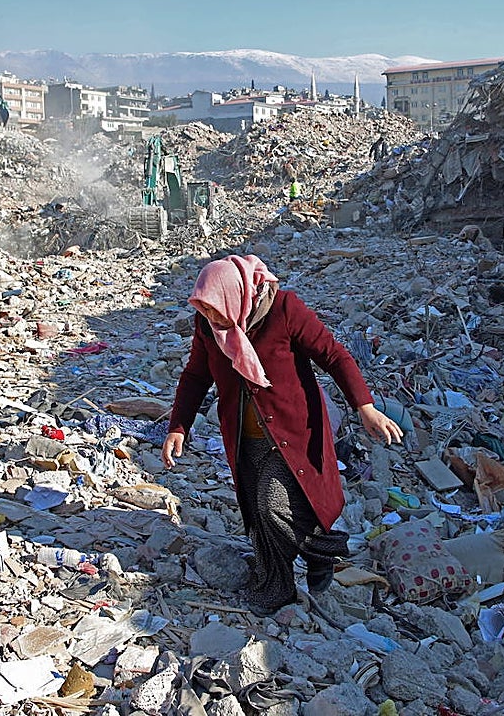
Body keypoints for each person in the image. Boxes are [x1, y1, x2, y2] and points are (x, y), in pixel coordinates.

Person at [163, 255, 402, 613]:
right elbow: (196, 376)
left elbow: (334, 356)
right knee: (259, 521)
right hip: (245, 438)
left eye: (217, 312)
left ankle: (322, 549)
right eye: (207, 312)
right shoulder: (208, 326)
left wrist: (364, 406)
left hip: (293, 432)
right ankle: (277, 587)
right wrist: (179, 427)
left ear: (238, 296)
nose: (213, 320)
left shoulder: (284, 310)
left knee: (272, 506)